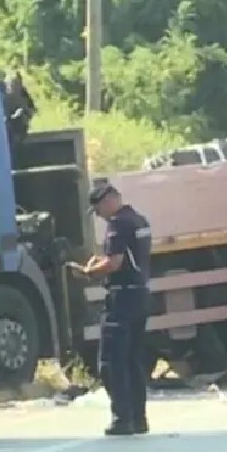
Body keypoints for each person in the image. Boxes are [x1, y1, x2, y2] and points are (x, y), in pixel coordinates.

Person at [73, 183, 152, 436]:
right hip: (140, 294)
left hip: (122, 298)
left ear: (108, 201)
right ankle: (139, 418)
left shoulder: (118, 224)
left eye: (97, 209)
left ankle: (122, 419)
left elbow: (115, 263)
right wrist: (102, 261)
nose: (98, 215)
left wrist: (89, 272)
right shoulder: (139, 220)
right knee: (133, 360)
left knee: (112, 361)